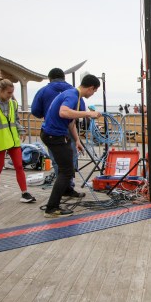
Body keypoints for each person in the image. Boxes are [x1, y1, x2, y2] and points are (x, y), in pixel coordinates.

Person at [40, 74, 102, 217]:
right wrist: (88, 113)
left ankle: (67, 190)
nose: (92, 94)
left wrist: (77, 141)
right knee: (66, 170)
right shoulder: (73, 95)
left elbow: (71, 122)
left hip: (57, 134)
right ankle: (52, 208)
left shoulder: (76, 97)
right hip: (53, 135)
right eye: (94, 91)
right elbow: (64, 112)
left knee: (69, 164)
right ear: (91, 88)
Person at [0, 78, 37, 206]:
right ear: (0, 91)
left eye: (12, 93)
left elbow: (15, 121)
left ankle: (24, 193)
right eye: (8, 93)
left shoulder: (13, 104)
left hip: (13, 141)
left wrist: (21, 130)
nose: (11, 96)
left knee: (19, 166)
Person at [31, 68, 82, 194]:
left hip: (52, 129)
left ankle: (62, 189)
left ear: (50, 78)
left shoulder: (43, 91)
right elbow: (80, 109)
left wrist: (48, 114)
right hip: (69, 126)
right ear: (64, 78)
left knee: (57, 160)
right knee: (71, 158)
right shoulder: (73, 91)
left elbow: (35, 111)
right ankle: (69, 186)